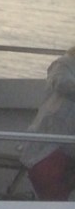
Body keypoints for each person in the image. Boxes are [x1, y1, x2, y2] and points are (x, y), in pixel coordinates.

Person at [19, 47, 75, 200]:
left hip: (69, 149)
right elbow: (61, 82)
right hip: (49, 147)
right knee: (52, 187)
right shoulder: (65, 64)